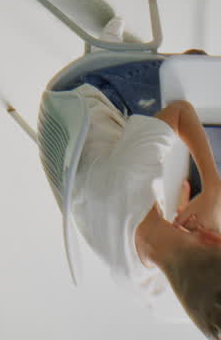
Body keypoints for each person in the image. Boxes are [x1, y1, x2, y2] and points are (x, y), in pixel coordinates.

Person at [65, 86, 221, 334]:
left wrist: (213, 189)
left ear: (212, 237)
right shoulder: (139, 283)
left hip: (84, 99)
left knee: (182, 80)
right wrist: (181, 219)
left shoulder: (133, 178)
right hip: (74, 161)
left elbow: (181, 112)